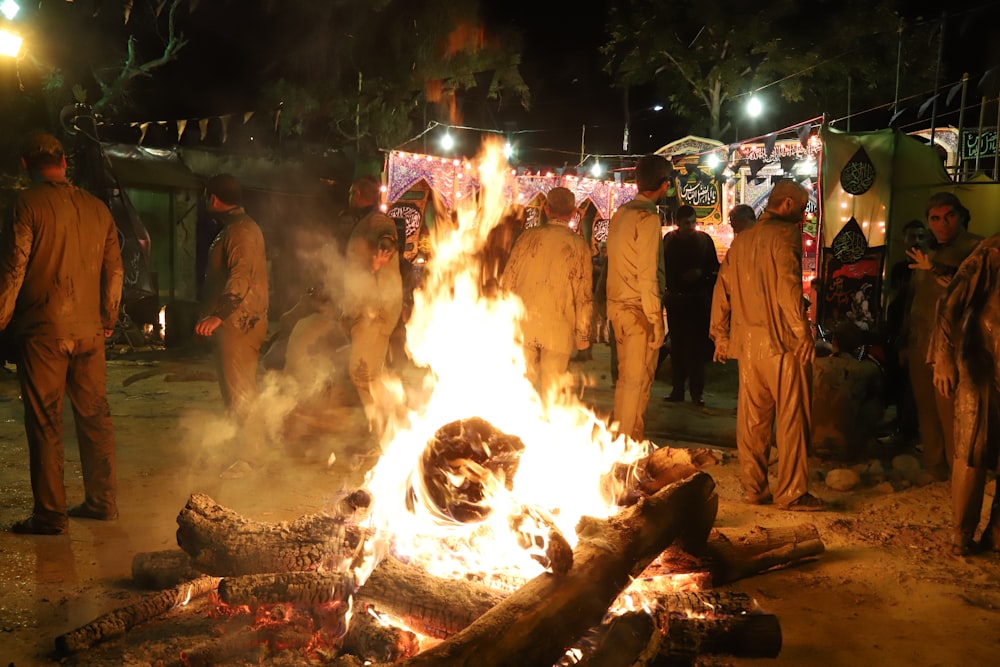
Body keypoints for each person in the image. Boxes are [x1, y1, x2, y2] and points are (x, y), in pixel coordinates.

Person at [0, 131, 124, 534]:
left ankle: (51, 515)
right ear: (64, 162)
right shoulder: (97, 208)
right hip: (89, 331)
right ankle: (102, 502)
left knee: (45, 422)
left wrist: (1, 319)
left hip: (43, 332)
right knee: (96, 418)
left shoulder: (26, 204)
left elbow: (14, 268)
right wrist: (108, 317)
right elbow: (115, 271)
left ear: (24, 164)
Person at [709, 179, 823, 511]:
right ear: (786, 204)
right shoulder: (785, 236)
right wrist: (802, 333)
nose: (802, 218)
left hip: (748, 346)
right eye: (801, 210)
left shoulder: (742, 241)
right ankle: (791, 492)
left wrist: (720, 335)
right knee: (791, 419)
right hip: (781, 344)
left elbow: (722, 289)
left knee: (752, 421)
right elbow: (789, 289)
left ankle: (753, 488)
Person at [195, 174, 269, 478]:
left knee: (240, 391)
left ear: (213, 199)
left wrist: (219, 315)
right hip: (239, 322)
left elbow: (240, 278)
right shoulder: (237, 229)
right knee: (237, 390)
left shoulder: (239, 232)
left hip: (239, 323)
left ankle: (251, 460)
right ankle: (245, 452)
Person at [903, 192, 981, 480]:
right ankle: (935, 468)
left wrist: (934, 268)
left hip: (952, 347)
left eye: (949, 216)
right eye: (935, 218)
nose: (942, 223)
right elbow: (915, 300)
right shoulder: (927, 253)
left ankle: (960, 475)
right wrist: (904, 340)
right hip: (920, 342)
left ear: (960, 216)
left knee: (953, 415)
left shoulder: (977, 248)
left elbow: (967, 286)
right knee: (927, 410)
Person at [931, 235, 1000, 556]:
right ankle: (962, 533)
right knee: (972, 447)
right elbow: (950, 300)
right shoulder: (993, 250)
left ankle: (996, 534)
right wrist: (943, 355)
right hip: (981, 360)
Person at [500, 186, 592, 397]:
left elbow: (507, 283)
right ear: (573, 212)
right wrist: (583, 338)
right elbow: (583, 297)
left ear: (546, 210)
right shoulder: (579, 246)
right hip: (558, 330)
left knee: (521, 389)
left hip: (524, 326)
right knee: (552, 393)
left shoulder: (526, 238)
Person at [606, 154, 669, 442]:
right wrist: (656, 320)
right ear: (664, 185)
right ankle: (626, 445)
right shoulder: (648, 217)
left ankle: (625, 437)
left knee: (626, 379)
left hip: (617, 307)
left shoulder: (621, 214)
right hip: (637, 310)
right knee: (637, 381)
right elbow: (647, 273)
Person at [341, 176, 402, 439]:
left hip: (374, 313)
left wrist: (381, 255)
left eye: (351, 193)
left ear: (357, 194)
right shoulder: (364, 223)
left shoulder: (377, 221)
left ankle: (385, 436)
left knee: (362, 374)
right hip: (366, 312)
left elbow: (386, 237)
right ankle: (390, 431)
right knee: (371, 375)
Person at [662, 204, 719, 406]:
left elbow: (714, 270)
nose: (691, 227)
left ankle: (697, 393)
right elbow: (663, 269)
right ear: (678, 223)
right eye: (687, 223)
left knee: (696, 349)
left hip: (697, 301)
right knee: (677, 348)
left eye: (693, 222)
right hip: (677, 301)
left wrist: (700, 275)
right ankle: (678, 390)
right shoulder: (669, 241)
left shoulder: (704, 241)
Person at [880, 219, 928, 447]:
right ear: (904, 240)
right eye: (912, 237)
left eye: (921, 237)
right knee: (900, 383)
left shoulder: (929, 267)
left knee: (914, 386)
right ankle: (902, 425)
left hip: (919, 337)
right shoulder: (900, 269)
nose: (916, 242)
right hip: (898, 334)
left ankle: (910, 432)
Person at [810, 321, 884, 461]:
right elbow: (881, 398)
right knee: (874, 403)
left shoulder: (814, 365)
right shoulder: (868, 369)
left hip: (811, 442)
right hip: (849, 448)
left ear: (834, 342)